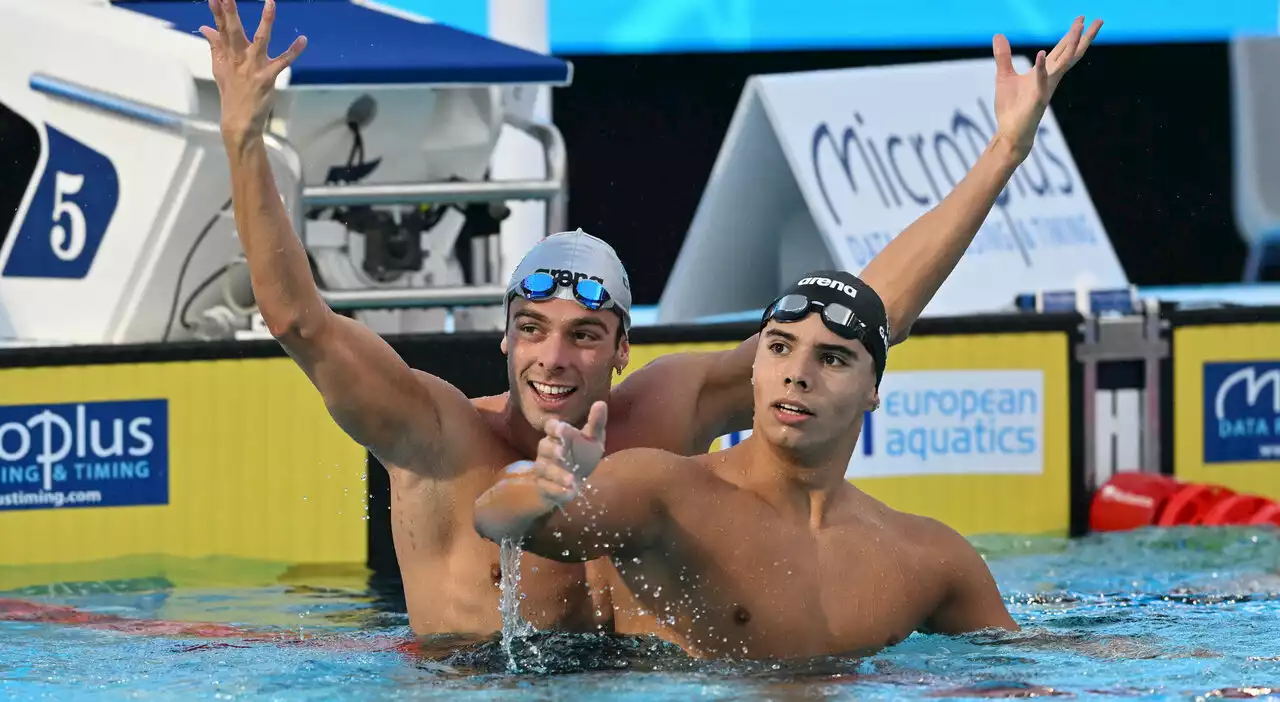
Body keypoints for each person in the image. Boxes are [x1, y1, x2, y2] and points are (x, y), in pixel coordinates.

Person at [199, 0, 1100, 638]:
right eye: (534, 329)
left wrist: (1001, 154)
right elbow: (298, 321)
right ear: (505, 337)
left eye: (585, 336)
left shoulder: (665, 412)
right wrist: (243, 138)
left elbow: (862, 316)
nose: (555, 358)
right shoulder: (435, 434)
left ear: (623, 347)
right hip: (468, 682)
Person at [473, 270, 1018, 660]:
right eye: (779, 348)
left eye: (832, 358)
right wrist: (539, 489)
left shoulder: (926, 558)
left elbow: (1032, 669)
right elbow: (506, 522)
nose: (797, 374)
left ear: (872, 390)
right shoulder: (664, 491)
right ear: (754, 368)